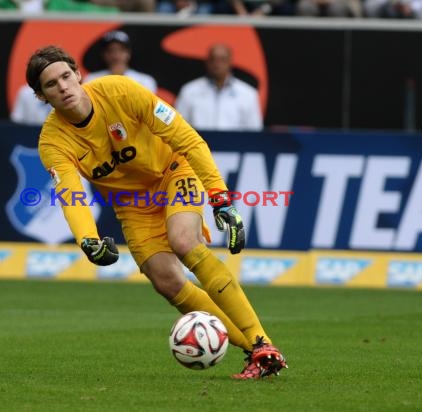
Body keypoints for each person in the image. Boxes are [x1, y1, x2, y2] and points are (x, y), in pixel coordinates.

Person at [27, 44, 287, 379]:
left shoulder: (122, 91)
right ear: (41, 96)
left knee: (184, 242)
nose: (63, 87)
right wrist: (88, 240)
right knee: (166, 282)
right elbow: (70, 193)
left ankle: (259, 338)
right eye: (51, 84)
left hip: (172, 173)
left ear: (78, 74)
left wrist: (220, 199)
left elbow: (188, 141)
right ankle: (260, 354)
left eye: (66, 76)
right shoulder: (53, 142)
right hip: (132, 206)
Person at [175, 44, 263, 131]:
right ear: (207, 62)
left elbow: (255, 131)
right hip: (197, 144)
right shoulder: (189, 91)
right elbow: (178, 127)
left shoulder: (248, 94)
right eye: (213, 59)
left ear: (230, 61)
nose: (217, 64)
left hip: (235, 144)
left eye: (222, 59)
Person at [83, 31, 158, 94]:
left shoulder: (145, 81)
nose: (116, 56)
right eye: (110, 51)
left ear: (128, 53)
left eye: (121, 50)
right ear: (103, 55)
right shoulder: (91, 80)